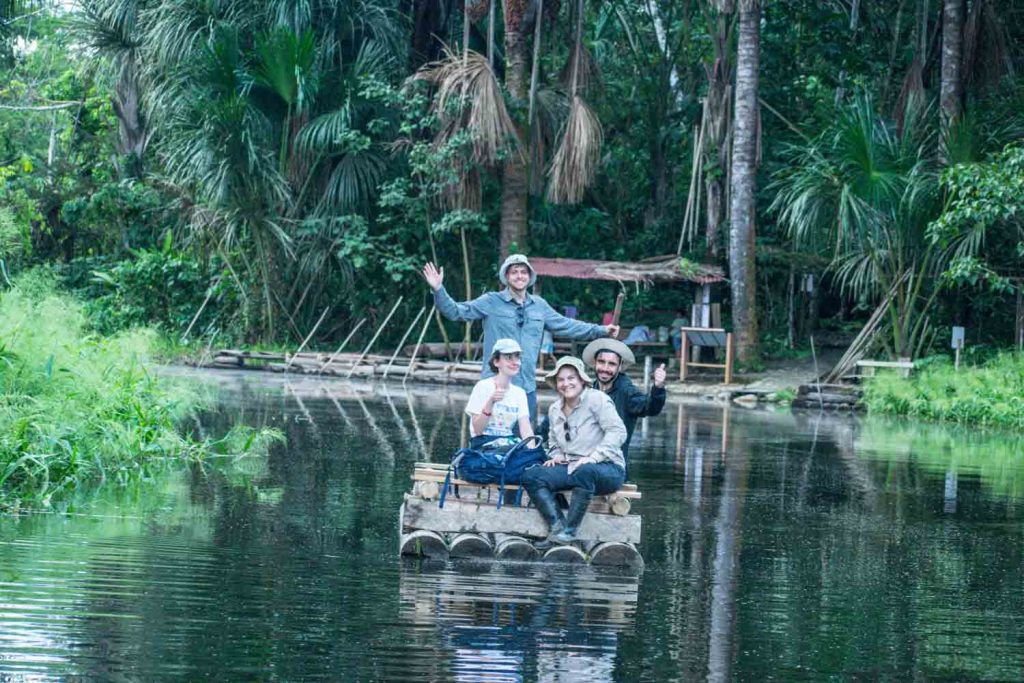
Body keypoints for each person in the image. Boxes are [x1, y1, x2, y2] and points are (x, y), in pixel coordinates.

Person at [422, 254, 619, 420]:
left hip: (526, 388)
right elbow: (456, 312)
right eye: (514, 272)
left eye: (523, 272)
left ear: (529, 277)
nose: (519, 276)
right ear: (506, 276)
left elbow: (566, 325)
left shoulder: (539, 306)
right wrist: (438, 289)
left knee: (523, 445)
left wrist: (601, 330)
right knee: (491, 442)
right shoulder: (491, 301)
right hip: (496, 386)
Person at [521, 356, 627, 548]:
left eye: (571, 378)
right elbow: (553, 440)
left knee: (585, 470)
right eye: (561, 380)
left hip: (607, 468)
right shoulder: (555, 409)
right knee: (532, 476)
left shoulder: (598, 399)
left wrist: (593, 458)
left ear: (581, 380)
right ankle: (557, 528)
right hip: (571, 466)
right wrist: (556, 455)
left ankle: (570, 533)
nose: (566, 383)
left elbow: (618, 432)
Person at [537, 338, 666, 463]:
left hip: (611, 463)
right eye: (601, 362)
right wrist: (533, 443)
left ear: (620, 367)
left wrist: (658, 387)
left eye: (611, 364)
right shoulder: (585, 389)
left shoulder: (627, 392)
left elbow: (651, 407)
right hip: (575, 460)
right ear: (594, 363)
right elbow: (551, 423)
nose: (605, 368)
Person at [464, 338, 533, 449]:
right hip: (483, 445)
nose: (515, 362)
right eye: (508, 357)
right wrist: (491, 402)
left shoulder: (519, 393)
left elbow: (526, 429)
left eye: (517, 356)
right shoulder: (482, 387)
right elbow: (477, 430)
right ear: (496, 362)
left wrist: (532, 453)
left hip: (507, 445)